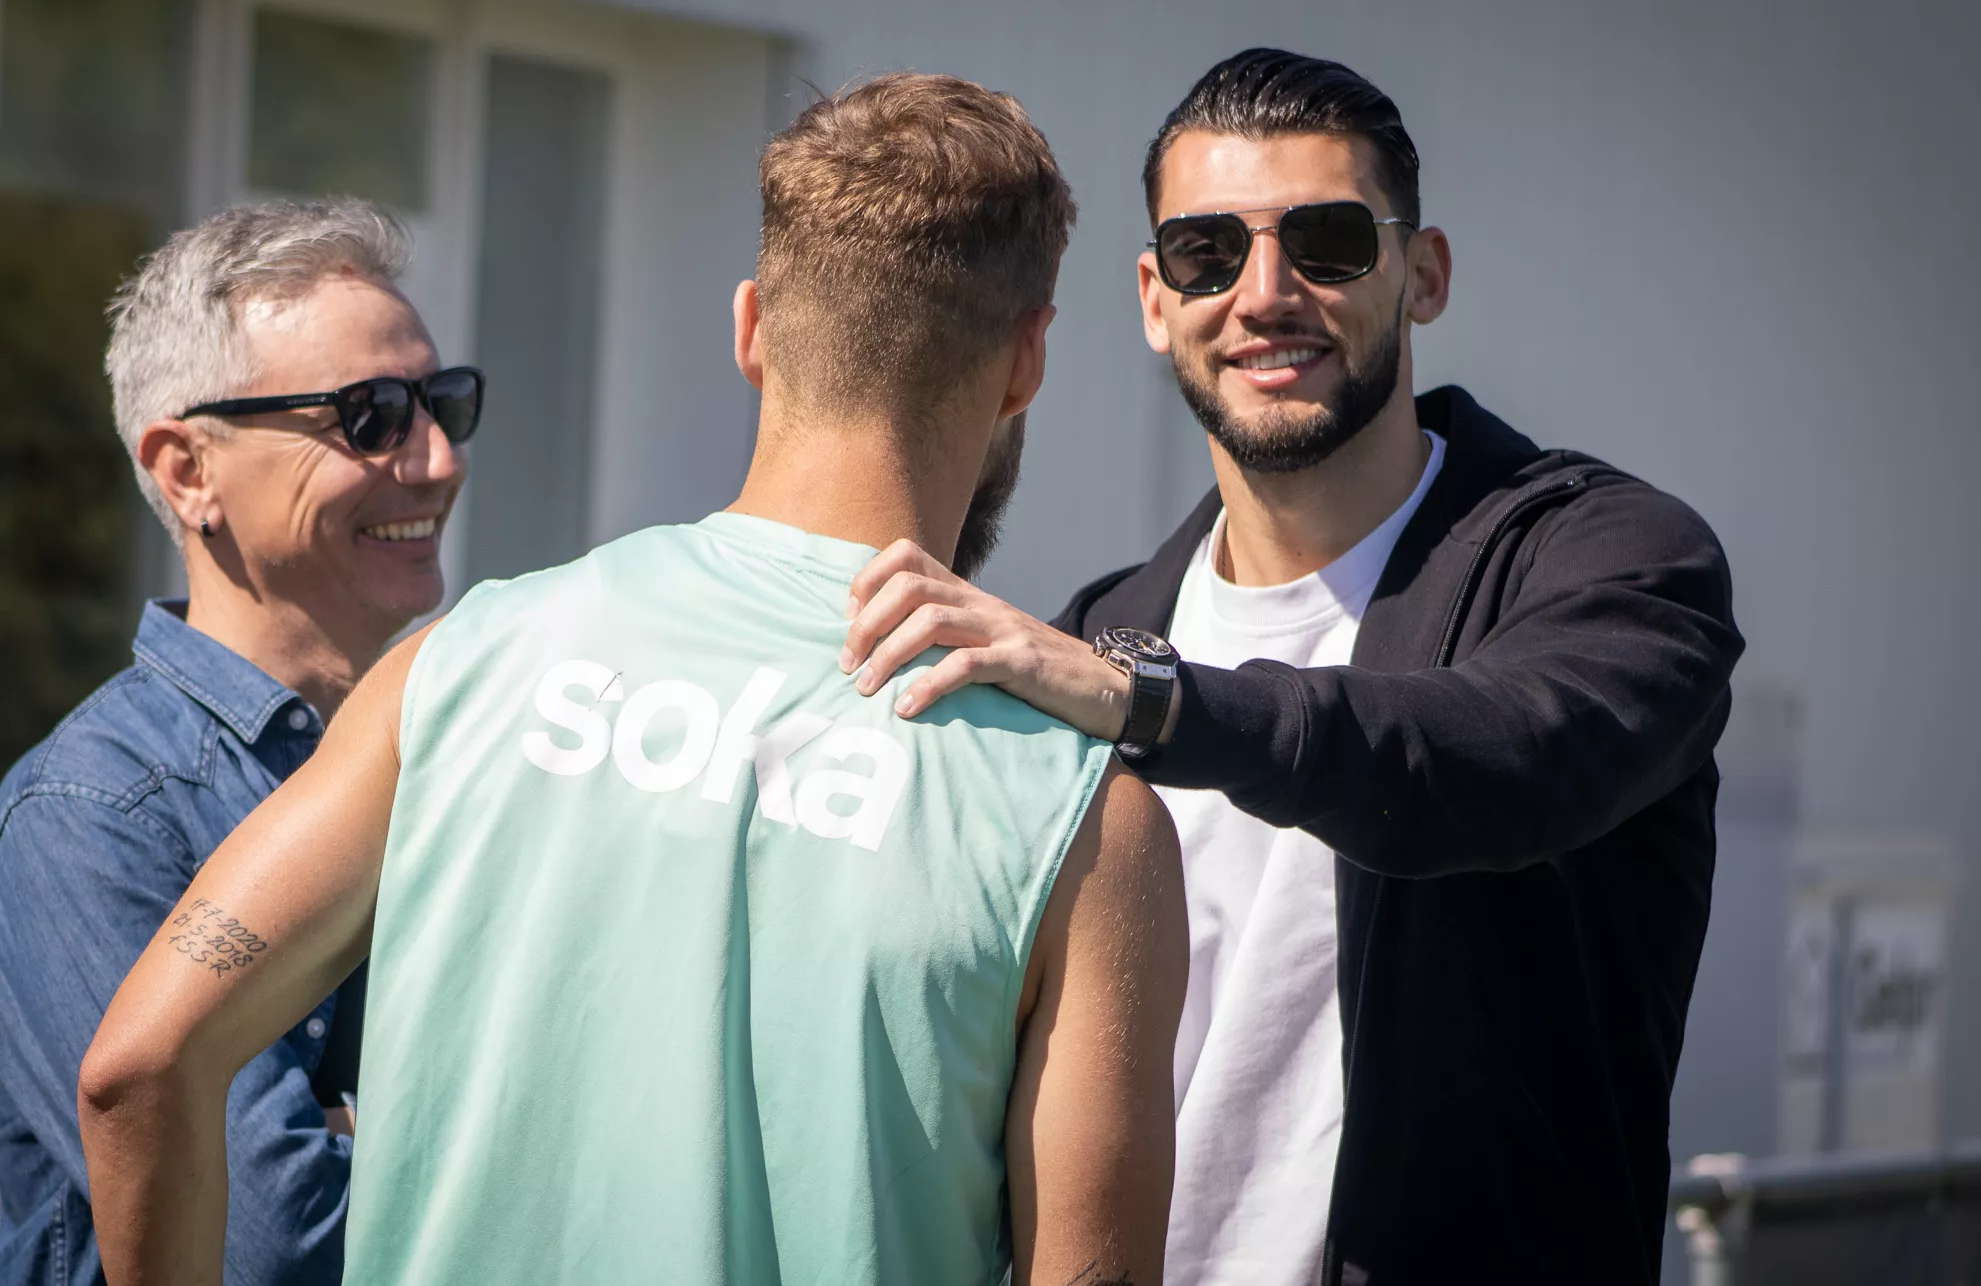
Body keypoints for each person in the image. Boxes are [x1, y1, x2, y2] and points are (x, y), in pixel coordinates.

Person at [78, 74, 1187, 1286]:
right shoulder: (1083, 828)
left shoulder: (465, 664)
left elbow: (140, 1066)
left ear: (753, 328)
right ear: (1026, 362)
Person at [839, 48, 1746, 1285]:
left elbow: (1495, 762)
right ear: (1155, 302)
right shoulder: (1108, 622)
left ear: (1419, 276)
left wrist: (1148, 702)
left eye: (1325, 243)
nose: (1264, 294)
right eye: (1209, 254)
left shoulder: (1605, 559)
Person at [0, 199, 475, 1284]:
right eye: (373, 415)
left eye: (443, 403)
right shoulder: (87, 816)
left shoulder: (469, 755)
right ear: (185, 471)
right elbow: (268, 1247)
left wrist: (359, 1133)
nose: (439, 459)